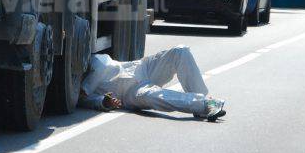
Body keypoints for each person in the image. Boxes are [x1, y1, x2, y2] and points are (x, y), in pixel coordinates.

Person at [79, 46, 227, 121]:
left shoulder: (94, 61)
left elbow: (102, 67)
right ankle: (206, 104)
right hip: (130, 92)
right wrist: (104, 102)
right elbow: (86, 101)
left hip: (140, 67)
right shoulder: (76, 92)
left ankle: (201, 102)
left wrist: (84, 89)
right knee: (153, 97)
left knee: (180, 51)